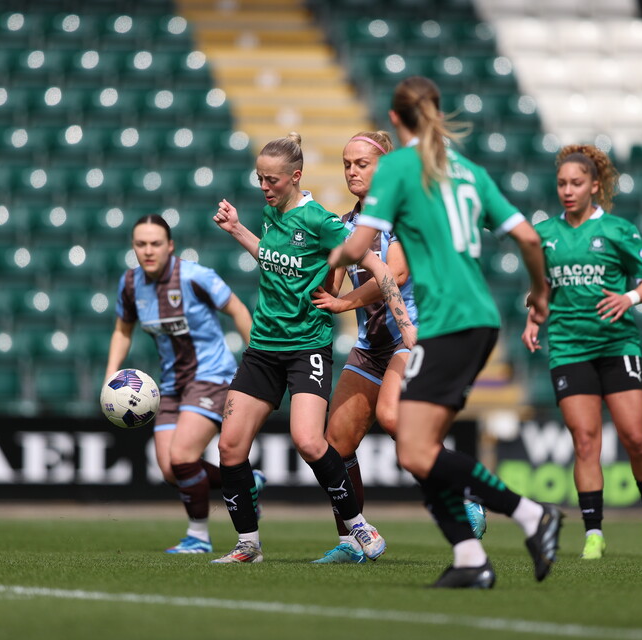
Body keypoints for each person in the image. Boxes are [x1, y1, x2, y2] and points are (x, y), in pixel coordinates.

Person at [329, 76, 563, 589]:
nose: (353, 170)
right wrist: (540, 291)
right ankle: (471, 558)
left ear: (395, 121)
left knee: (411, 440)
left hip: (439, 325)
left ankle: (528, 516)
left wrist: (335, 257)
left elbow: (366, 249)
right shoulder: (466, 172)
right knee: (413, 447)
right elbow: (528, 236)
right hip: (475, 321)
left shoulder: (398, 172)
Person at [210, 132, 407, 564]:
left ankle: (358, 527)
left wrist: (404, 322)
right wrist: (237, 228)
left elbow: (378, 267)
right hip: (263, 347)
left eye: (272, 180)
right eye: (260, 179)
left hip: (306, 348)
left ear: (295, 177)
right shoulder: (269, 215)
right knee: (229, 448)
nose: (264, 187)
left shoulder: (321, 221)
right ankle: (248, 545)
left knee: (310, 441)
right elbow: (272, 258)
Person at [310, 130, 485, 564]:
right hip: (371, 347)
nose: (352, 170)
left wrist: (343, 301)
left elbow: (398, 274)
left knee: (391, 415)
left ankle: (463, 492)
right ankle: (354, 538)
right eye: (347, 163)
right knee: (335, 444)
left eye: (361, 163)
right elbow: (328, 285)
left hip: (414, 334)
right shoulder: (344, 225)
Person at [520, 144, 642, 560]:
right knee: (585, 441)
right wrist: (534, 318)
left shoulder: (618, 230)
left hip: (616, 344)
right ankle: (593, 533)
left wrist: (628, 297)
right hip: (569, 348)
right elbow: (542, 290)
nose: (567, 191)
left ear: (595, 185)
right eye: (561, 184)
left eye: (576, 183)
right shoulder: (545, 235)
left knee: (636, 438)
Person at [106, 214, 260, 555]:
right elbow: (122, 329)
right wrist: (111, 374)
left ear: (170, 246)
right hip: (171, 384)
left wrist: (256, 367)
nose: (148, 250)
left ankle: (198, 536)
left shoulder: (195, 277)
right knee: (169, 468)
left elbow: (238, 310)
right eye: (141, 244)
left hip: (212, 377)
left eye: (155, 243)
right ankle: (248, 483)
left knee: (182, 455)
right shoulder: (130, 284)